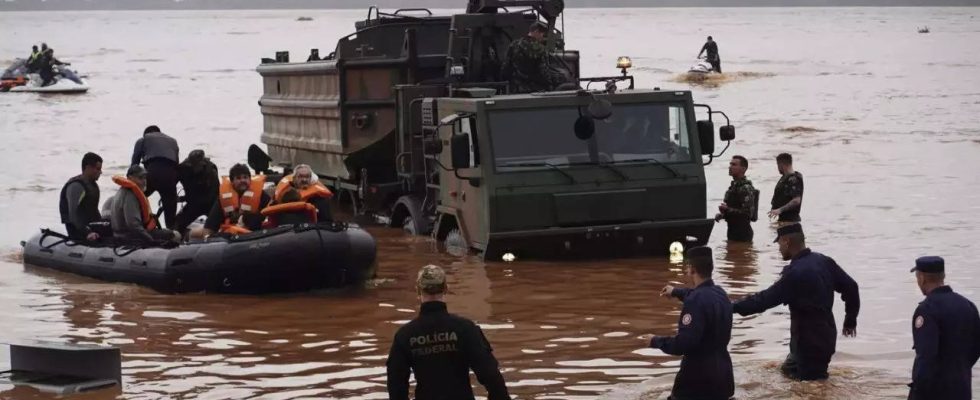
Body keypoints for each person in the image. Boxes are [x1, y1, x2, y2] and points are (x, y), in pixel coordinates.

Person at [733, 223, 860, 381]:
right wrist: (850, 320)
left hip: (808, 344)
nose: (779, 249)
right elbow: (851, 287)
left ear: (786, 241)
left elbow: (764, 300)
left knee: (812, 389)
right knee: (787, 372)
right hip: (824, 336)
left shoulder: (795, 274)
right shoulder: (823, 261)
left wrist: (732, 306)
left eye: (779, 244)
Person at [386, 265, 511, 400]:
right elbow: (491, 376)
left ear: (418, 289)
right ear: (446, 288)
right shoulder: (466, 329)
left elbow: (396, 384)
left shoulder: (405, 335)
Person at [652, 246, 734, 400]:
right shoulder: (721, 294)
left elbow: (683, 343)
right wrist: (675, 291)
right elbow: (699, 294)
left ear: (691, 269)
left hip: (696, 381)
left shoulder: (694, 301)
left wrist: (655, 341)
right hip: (724, 377)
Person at [907, 256, 979, 400]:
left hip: (933, 392)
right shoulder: (968, 305)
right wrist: (960, 370)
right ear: (943, 276)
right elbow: (976, 347)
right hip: (962, 388)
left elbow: (926, 356)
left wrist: (917, 391)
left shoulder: (927, 310)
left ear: (921, 278)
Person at [191, 163, 270, 238]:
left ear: (250, 179)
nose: (242, 180)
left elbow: (270, 212)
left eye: (245, 177)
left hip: (253, 233)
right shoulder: (223, 199)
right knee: (202, 232)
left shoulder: (261, 195)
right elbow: (210, 225)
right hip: (229, 236)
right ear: (232, 182)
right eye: (238, 178)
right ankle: (187, 235)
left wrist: (250, 218)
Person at [107, 165, 180, 245]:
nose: (144, 181)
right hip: (129, 237)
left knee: (165, 231)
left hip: (122, 235)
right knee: (175, 235)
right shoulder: (130, 195)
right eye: (140, 178)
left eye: (145, 178)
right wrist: (151, 240)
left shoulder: (122, 191)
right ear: (130, 178)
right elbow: (133, 225)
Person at [131, 125, 180, 230]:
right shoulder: (173, 141)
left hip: (152, 172)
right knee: (170, 217)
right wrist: (169, 191)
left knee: (135, 198)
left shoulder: (143, 139)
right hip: (170, 176)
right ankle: (173, 234)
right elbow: (177, 166)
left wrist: (130, 185)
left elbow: (134, 165)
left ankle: (138, 227)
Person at [501, 21, 559, 94]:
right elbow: (544, 72)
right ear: (536, 31)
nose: (542, 37)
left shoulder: (514, 45)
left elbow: (505, 68)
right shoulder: (540, 49)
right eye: (542, 34)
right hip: (534, 91)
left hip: (515, 89)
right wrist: (550, 87)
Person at [59, 152, 103, 241]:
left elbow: (94, 210)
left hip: (92, 227)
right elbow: (73, 214)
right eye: (98, 169)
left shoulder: (93, 185)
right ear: (88, 168)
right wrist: (87, 232)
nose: (100, 172)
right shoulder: (76, 186)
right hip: (78, 231)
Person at [175, 149, 219, 234]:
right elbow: (171, 184)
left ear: (203, 163)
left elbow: (214, 194)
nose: (196, 168)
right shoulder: (183, 169)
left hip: (210, 204)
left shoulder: (211, 170)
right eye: (193, 165)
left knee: (217, 222)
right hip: (192, 204)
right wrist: (176, 198)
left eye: (198, 165)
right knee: (178, 223)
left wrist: (184, 198)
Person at [715, 155, 756, 242]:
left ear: (743, 169)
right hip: (732, 232)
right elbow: (735, 209)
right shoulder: (733, 187)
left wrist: (727, 209)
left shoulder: (745, 188)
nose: (730, 167)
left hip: (743, 235)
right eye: (730, 164)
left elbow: (747, 214)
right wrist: (722, 215)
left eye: (734, 165)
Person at [768, 153, 803, 223]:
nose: (778, 168)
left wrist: (779, 210)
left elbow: (796, 200)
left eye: (777, 165)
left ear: (781, 165)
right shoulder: (785, 178)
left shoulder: (794, 179)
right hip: (783, 220)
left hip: (791, 221)